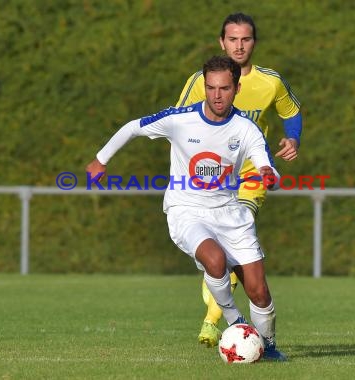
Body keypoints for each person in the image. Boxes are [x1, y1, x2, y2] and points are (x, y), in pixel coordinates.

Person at [86, 55, 287, 361]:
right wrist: (101, 159)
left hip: (231, 214)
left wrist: (269, 175)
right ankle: (235, 320)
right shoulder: (180, 119)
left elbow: (264, 165)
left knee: (259, 291)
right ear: (204, 87)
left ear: (237, 87)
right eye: (210, 88)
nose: (216, 95)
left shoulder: (246, 129)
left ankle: (268, 346)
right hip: (186, 209)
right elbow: (133, 127)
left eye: (224, 88)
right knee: (215, 260)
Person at [176, 12, 303, 348]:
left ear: (254, 43)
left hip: (249, 176)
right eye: (232, 39)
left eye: (245, 39)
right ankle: (220, 287)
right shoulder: (200, 81)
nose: (239, 45)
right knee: (221, 253)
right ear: (222, 42)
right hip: (209, 180)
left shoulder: (270, 82)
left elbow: (291, 112)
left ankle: (212, 321)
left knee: (239, 230)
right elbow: (179, 124)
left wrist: (293, 140)